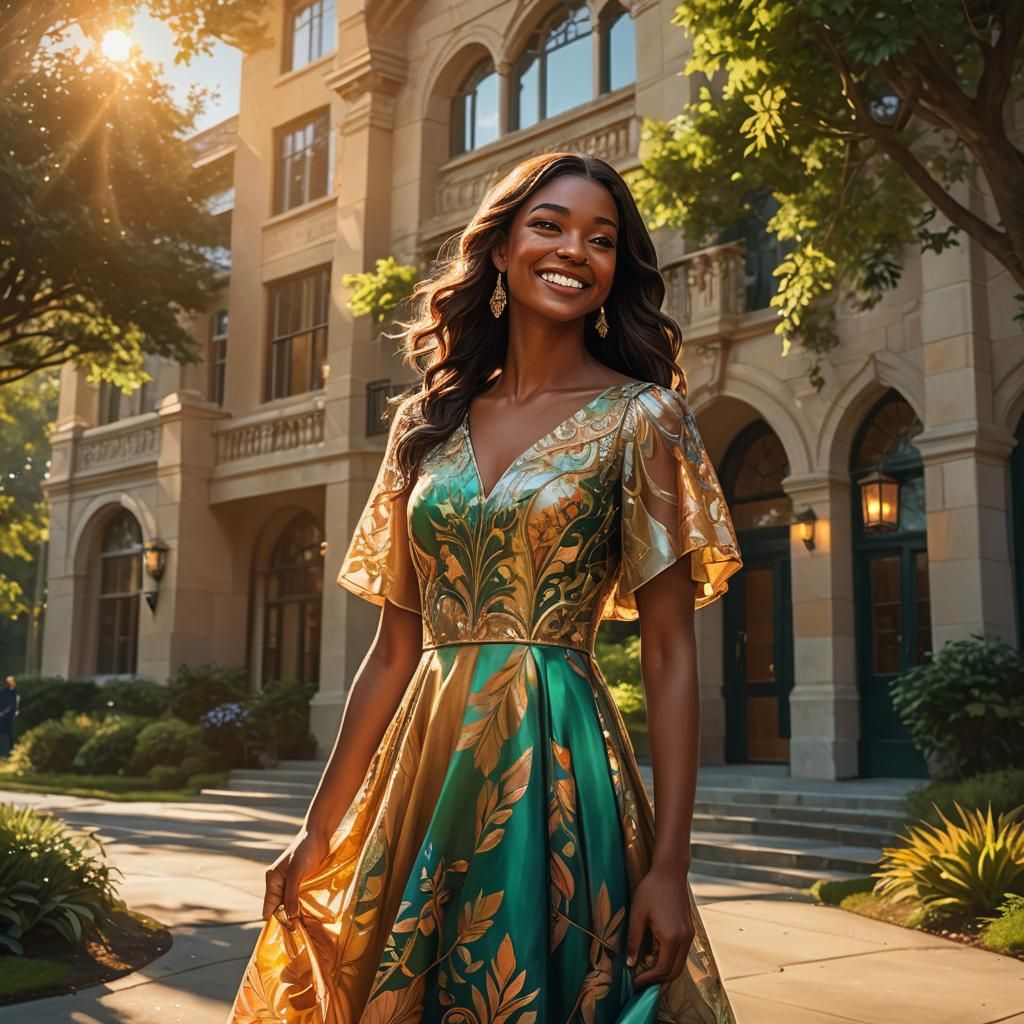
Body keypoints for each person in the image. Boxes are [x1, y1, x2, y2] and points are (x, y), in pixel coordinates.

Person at [227, 152, 743, 1023]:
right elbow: (392, 653)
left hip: (560, 761)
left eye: (601, 238)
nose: (575, 249)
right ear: (501, 249)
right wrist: (318, 827)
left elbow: (668, 650)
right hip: (422, 770)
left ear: (617, 270)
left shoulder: (643, 417)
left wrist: (671, 865)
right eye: (549, 225)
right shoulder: (422, 427)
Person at [0, 675, 19, 757]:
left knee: (8, 734)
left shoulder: (14, 693)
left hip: (8, 717)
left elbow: (13, 705)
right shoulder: (3, 692)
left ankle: (9, 752)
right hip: (4, 717)